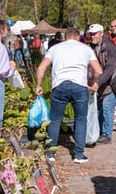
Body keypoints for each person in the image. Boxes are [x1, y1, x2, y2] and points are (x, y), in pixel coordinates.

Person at [35, 27, 103, 164]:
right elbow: (98, 70)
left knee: (55, 120)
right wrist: (93, 82)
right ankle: (78, 154)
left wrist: (38, 85)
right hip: (79, 85)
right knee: (81, 120)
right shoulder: (86, 49)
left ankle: (50, 153)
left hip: (59, 85)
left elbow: (41, 67)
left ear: (65, 37)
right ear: (78, 37)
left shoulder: (55, 48)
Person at [85, 23, 116, 145]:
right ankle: (98, 131)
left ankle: (107, 134)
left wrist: (98, 83)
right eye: (91, 34)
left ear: (101, 34)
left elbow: (110, 68)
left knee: (107, 108)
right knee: (98, 109)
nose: (92, 36)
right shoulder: (90, 46)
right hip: (98, 82)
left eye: (95, 34)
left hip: (111, 82)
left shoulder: (110, 46)